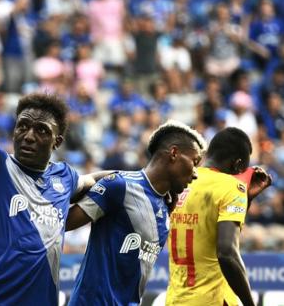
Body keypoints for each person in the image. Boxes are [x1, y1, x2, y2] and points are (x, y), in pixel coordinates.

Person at [0, 9, 101, 305]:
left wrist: (145, 185)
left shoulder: (63, 178)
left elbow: (94, 181)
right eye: (23, 126)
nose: (29, 135)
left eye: (41, 130)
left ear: (57, 141)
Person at [66, 120, 206, 306]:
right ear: (174, 153)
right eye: (194, 162)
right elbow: (61, 223)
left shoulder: (166, 209)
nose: (195, 173)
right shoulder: (120, 186)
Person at [166, 127, 272, 306]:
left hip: (176, 299)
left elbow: (209, 228)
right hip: (213, 300)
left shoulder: (183, 182)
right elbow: (226, 253)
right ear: (237, 164)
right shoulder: (230, 187)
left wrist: (246, 200)